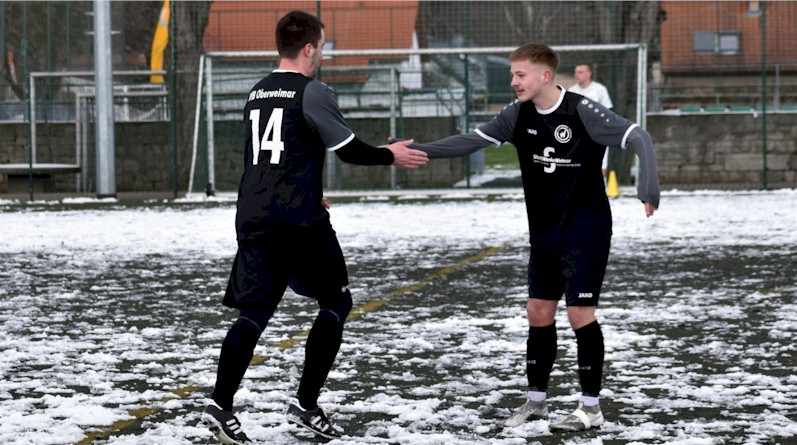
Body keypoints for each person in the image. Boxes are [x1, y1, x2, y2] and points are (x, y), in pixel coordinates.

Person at [399, 43, 659, 433]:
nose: (514, 82)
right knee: (538, 312)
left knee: (579, 313)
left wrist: (648, 186)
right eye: (513, 75)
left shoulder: (582, 111)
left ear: (545, 76)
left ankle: (591, 408)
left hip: (585, 230)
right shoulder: (516, 115)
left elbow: (639, 137)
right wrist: (415, 151)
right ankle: (536, 403)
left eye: (520, 75)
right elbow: (470, 140)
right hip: (545, 232)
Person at [200, 10, 428, 444]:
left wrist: (308, 188)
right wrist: (390, 154)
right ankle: (306, 405)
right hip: (297, 220)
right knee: (336, 302)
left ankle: (220, 405)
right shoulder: (313, 91)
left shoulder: (257, 91)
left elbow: (272, 157)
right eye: (322, 47)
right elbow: (349, 150)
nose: (323, 54)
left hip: (253, 213)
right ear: (308, 48)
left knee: (255, 313)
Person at [568, 62, 613, 178]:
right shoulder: (571, 91)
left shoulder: (600, 89)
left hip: (597, 133)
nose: (577, 75)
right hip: (578, 135)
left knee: (598, 168)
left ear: (588, 74)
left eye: (580, 72)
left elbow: (607, 111)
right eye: (575, 72)